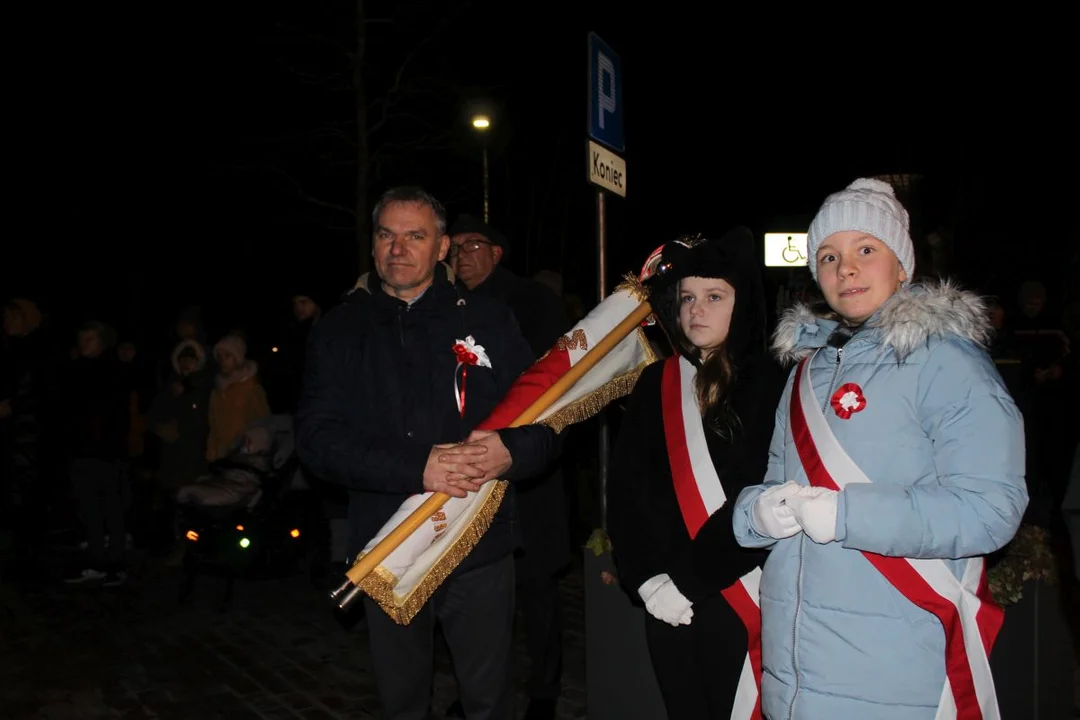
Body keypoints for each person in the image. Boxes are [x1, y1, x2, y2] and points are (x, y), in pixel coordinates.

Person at [732, 178, 1029, 718]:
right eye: (828, 256)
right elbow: (774, 477)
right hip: (791, 675)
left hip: (897, 679)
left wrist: (849, 514)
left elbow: (993, 509)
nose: (844, 269)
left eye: (865, 250)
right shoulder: (807, 372)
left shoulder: (949, 363)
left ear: (903, 265)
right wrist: (756, 514)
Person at [296, 186, 556, 720]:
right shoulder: (341, 330)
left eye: (415, 235)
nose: (399, 248)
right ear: (373, 247)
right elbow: (317, 441)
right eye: (387, 235)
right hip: (387, 547)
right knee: (403, 702)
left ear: (442, 248)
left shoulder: (489, 320)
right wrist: (417, 467)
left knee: (489, 702)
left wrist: (511, 452)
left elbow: (549, 421)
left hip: (478, 544)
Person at [605, 228, 786, 719]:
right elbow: (626, 491)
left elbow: (762, 493)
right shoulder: (655, 382)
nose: (696, 310)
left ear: (743, 303)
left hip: (738, 590)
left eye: (714, 296)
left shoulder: (772, 384)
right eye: (687, 297)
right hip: (665, 598)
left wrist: (687, 581)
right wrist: (644, 580)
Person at [448, 214, 571, 720]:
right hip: (472, 468)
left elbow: (552, 386)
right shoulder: (449, 307)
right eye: (452, 247)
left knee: (537, 587)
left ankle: (544, 692)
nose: (460, 255)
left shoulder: (533, 302)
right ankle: (477, 689)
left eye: (472, 245)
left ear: (497, 252)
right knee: (478, 593)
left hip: (526, 466)